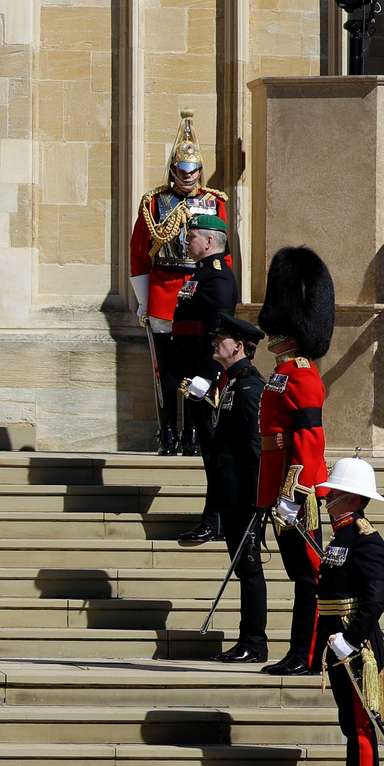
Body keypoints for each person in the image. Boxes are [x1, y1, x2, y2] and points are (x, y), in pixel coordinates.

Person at [129, 110, 231, 456]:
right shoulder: (155, 203)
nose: (189, 176)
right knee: (166, 372)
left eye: (194, 170)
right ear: (174, 170)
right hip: (164, 293)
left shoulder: (214, 202)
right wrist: (144, 301)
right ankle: (167, 432)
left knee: (198, 366)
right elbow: (139, 253)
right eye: (183, 170)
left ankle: (193, 433)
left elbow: (224, 256)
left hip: (200, 293)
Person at [255, 246, 335, 677]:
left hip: (297, 493)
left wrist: (294, 492)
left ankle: (306, 655)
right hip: (280, 487)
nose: (270, 337)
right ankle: (298, 651)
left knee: (309, 578)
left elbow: (309, 440)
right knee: (299, 577)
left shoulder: (302, 375)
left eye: (278, 330)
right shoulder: (283, 373)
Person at [314, 458, 384, 766]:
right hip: (339, 643)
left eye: (334, 492)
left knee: (360, 726)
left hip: (356, 648)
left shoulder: (366, 539)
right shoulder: (341, 534)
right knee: (350, 722)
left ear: (350, 498)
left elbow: (373, 601)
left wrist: (349, 638)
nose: (327, 497)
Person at [193, 315, 271, 663]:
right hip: (231, 494)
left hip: (244, 497)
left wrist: (258, 499)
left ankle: (254, 642)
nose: (214, 343)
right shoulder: (232, 384)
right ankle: (248, 640)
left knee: (250, 568)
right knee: (244, 568)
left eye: (220, 339)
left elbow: (256, 448)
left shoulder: (249, 388)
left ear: (238, 346)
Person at [171, 216, 240, 544]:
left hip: (207, 378)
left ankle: (217, 522)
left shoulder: (216, 278)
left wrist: (209, 376)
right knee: (210, 453)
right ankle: (216, 519)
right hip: (194, 373)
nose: (187, 241)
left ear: (210, 242)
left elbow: (220, 331)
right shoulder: (201, 274)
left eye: (193, 236)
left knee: (216, 454)